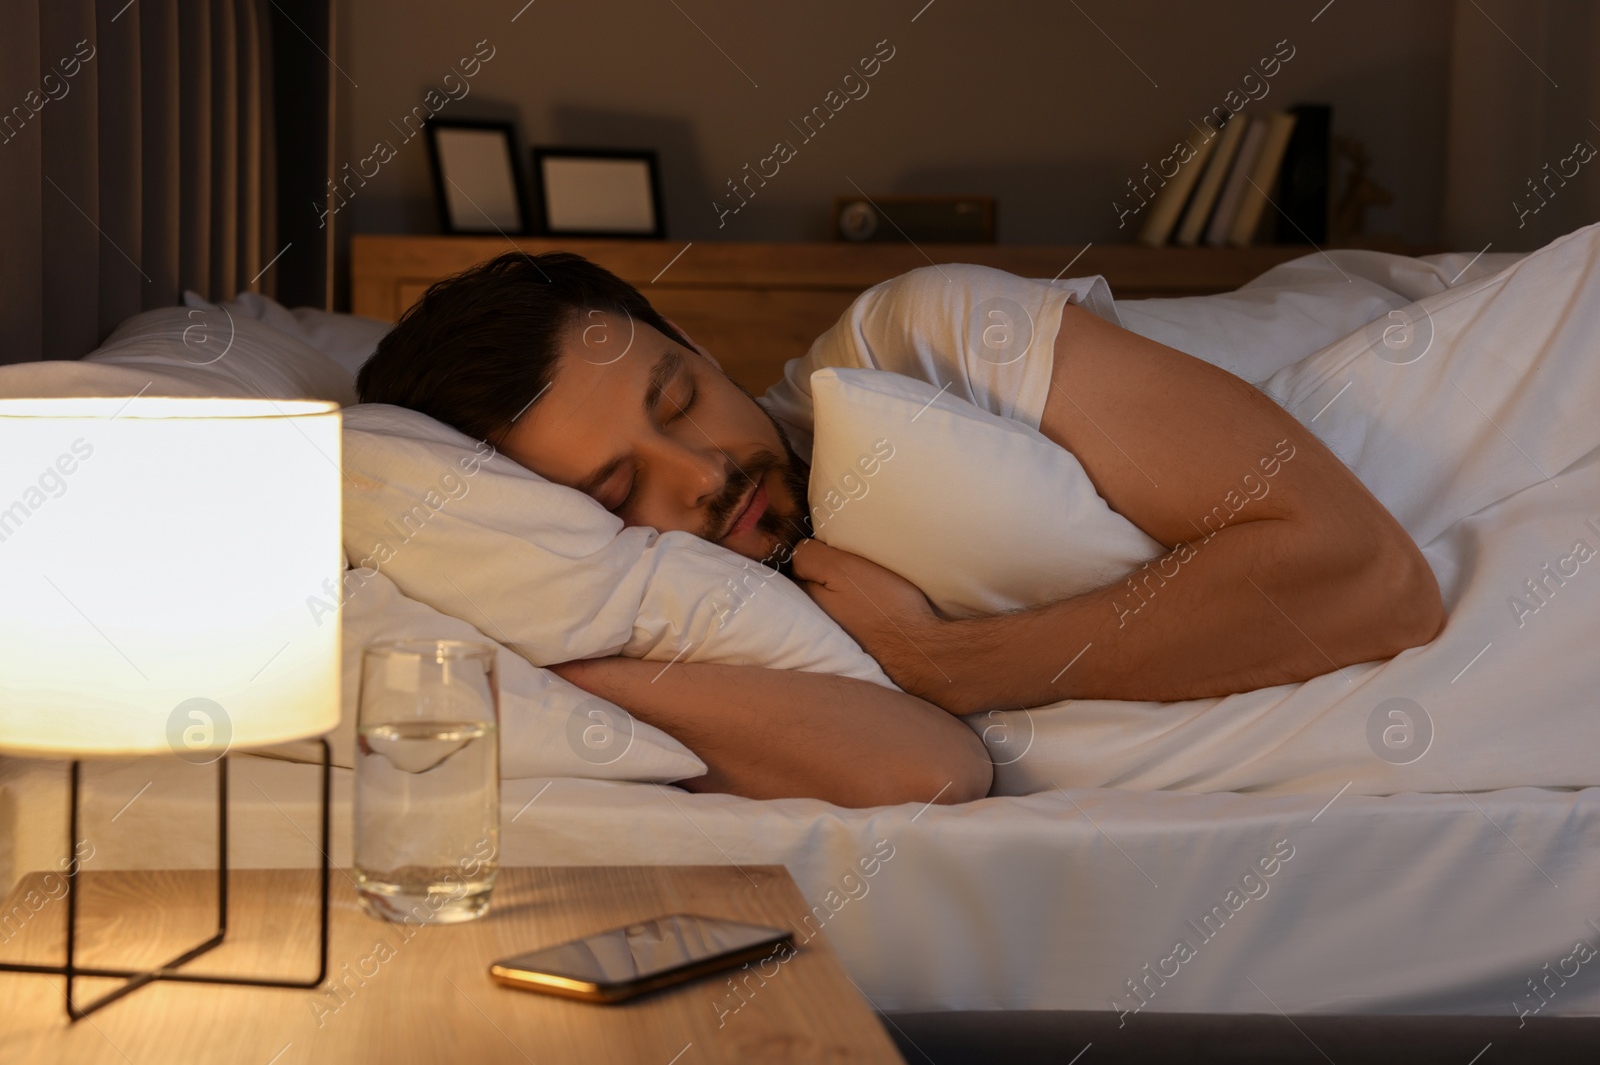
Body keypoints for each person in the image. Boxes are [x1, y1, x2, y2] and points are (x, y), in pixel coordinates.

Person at [356, 251, 1445, 807]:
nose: (701, 474)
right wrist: (557, 662)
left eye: (680, 396)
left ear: (685, 336)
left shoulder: (918, 340)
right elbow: (917, 767)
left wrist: (952, 659)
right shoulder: (704, 616)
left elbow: (1375, 576)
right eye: (610, 493)